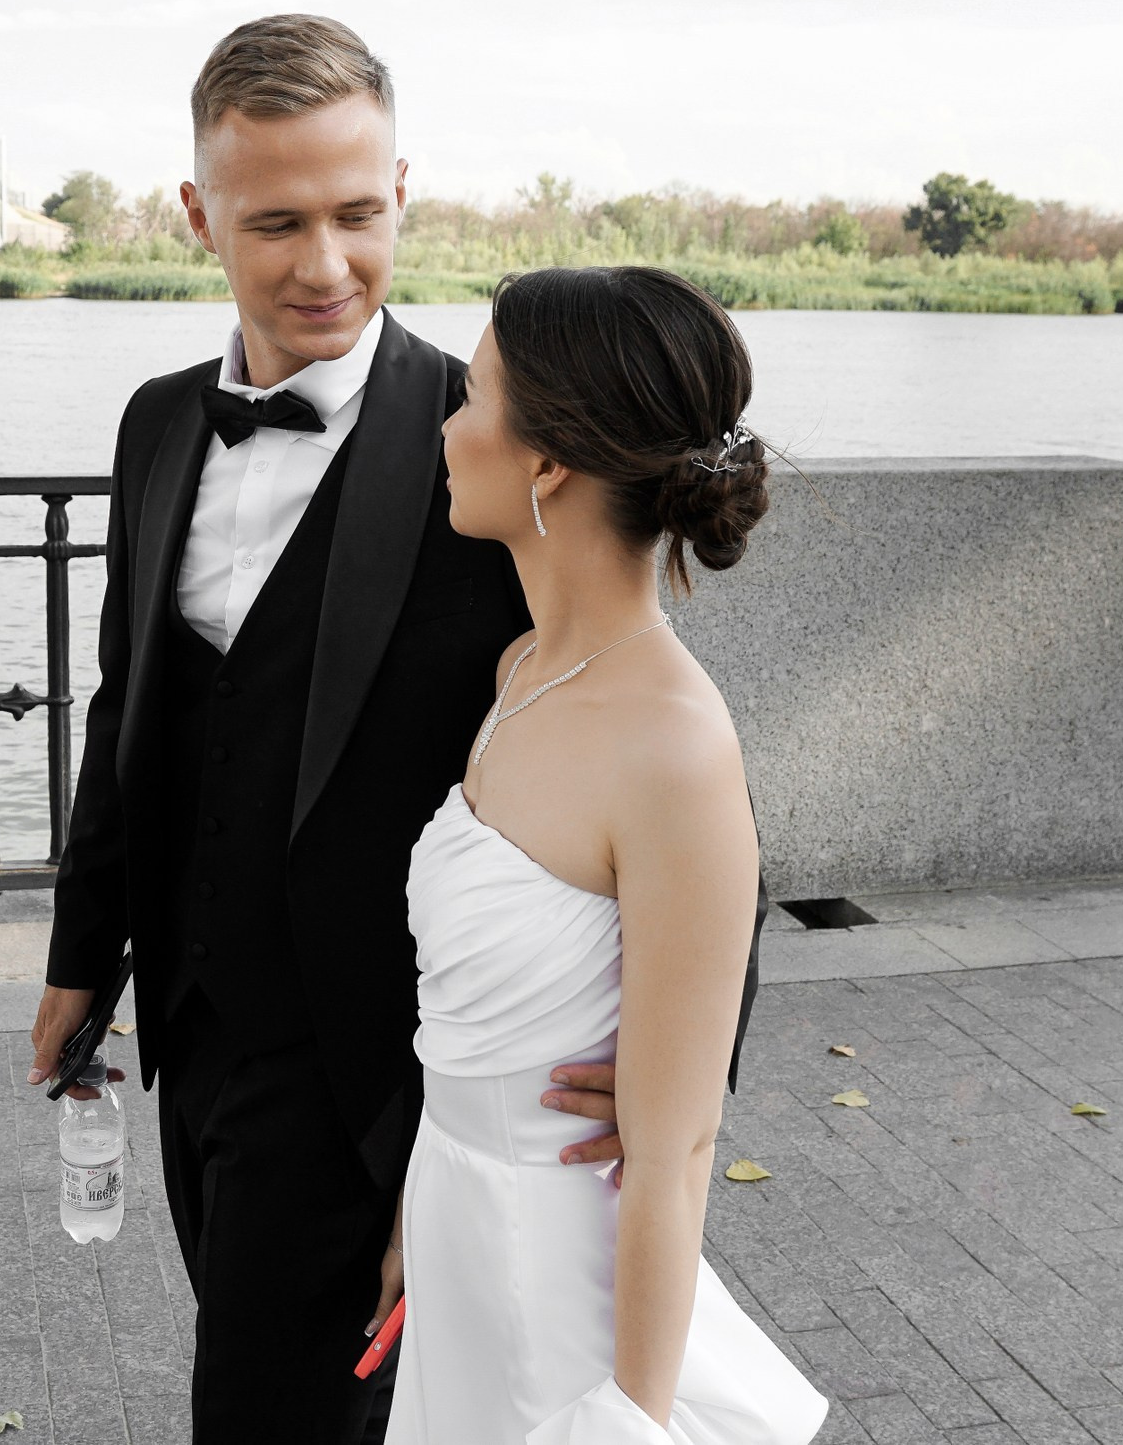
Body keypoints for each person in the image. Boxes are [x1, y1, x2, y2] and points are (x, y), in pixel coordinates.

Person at [27, 15, 627, 1441]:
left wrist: (676, 1062)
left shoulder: (489, 443)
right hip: (196, 1033)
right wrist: (81, 956)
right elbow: (133, 709)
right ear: (197, 215)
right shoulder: (157, 423)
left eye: (360, 214)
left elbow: (650, 730)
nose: (325, 263)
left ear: (403, 190)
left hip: (390, 1065)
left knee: (271, 1408)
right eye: (276, 220)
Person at [381, 267, 827, 1444]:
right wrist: (420, 1221)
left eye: (472, 394)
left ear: (546, 464)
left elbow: (676, 1153)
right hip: (457, 1217)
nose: (445, 425)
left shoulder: (673, 744)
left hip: (564, 1279)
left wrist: (626, 1417)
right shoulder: (521, 671)